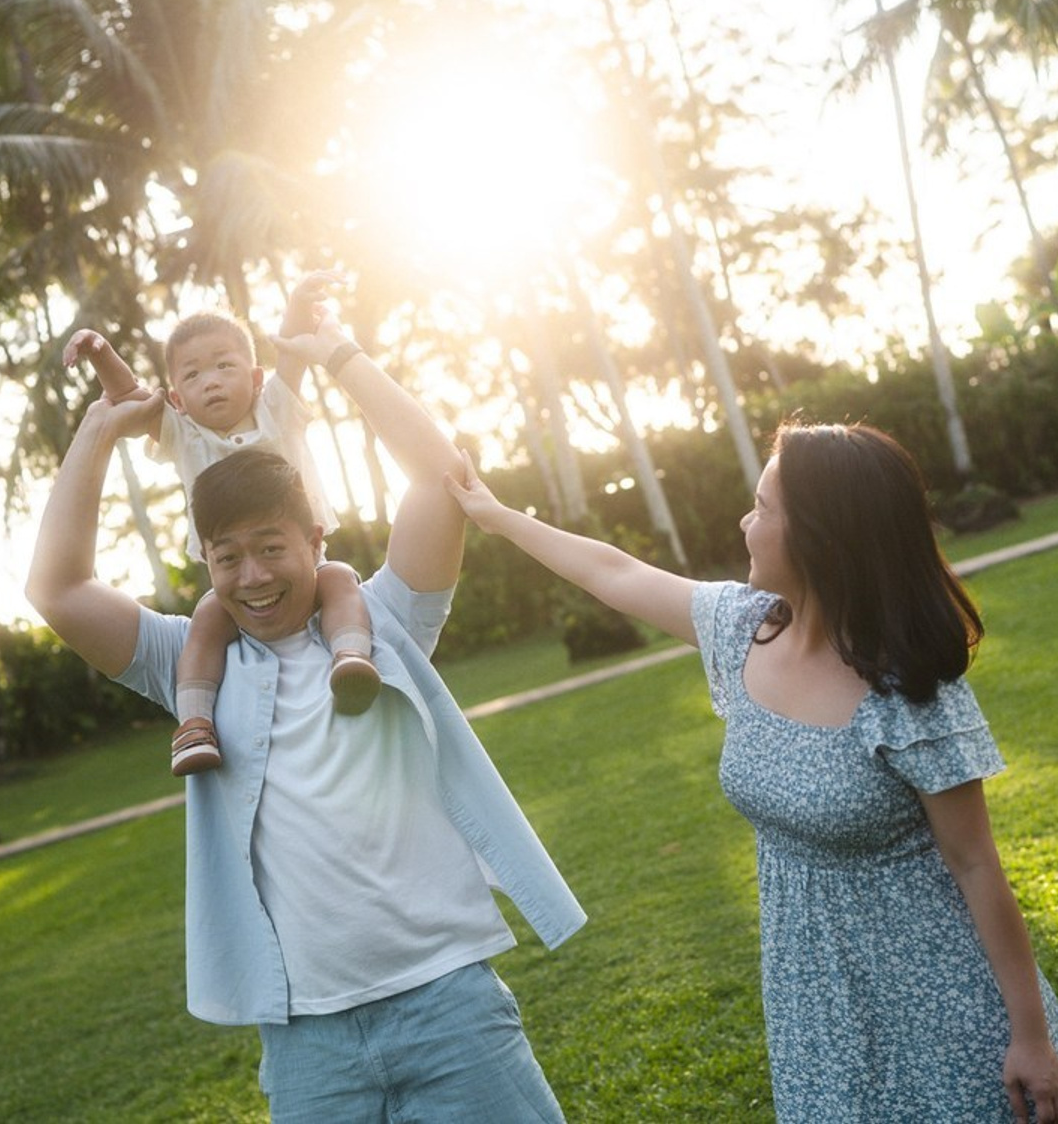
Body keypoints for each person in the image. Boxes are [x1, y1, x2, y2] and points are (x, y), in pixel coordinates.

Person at [27, 312, 585, 1120]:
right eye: (227, 557)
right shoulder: (191, 662)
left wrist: (340, 356)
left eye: (271, 548)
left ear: (315, 540)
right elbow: (58, 590)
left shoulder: (386, 620)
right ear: (205, 560)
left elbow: (442, 478)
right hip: (306, 1043)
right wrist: (101, 428)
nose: (252, 577)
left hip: (449, 1008)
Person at [444, 419, 1058, 1124]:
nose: (744, 521)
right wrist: (497, 517)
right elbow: (614, 572)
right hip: (814, 1000)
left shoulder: (908, 688)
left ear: (821, 537)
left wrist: (1032, 1036)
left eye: (763, 507)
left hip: (942, 999)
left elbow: (976, 864)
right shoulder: (744, 629)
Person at [62, 272, 380, 778]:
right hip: (233, 577)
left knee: (340, 580)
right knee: (207, 621)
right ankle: (194, 723)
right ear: (177, 398)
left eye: (224, 366)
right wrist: (101, 353)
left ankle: (350, 659)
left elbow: (292, 355)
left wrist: (298, 304)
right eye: (192, 375)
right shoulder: (181, 434)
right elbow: (130, 396)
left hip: (304, 561)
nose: (210, 381)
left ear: (255, 378)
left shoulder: (275, 409)